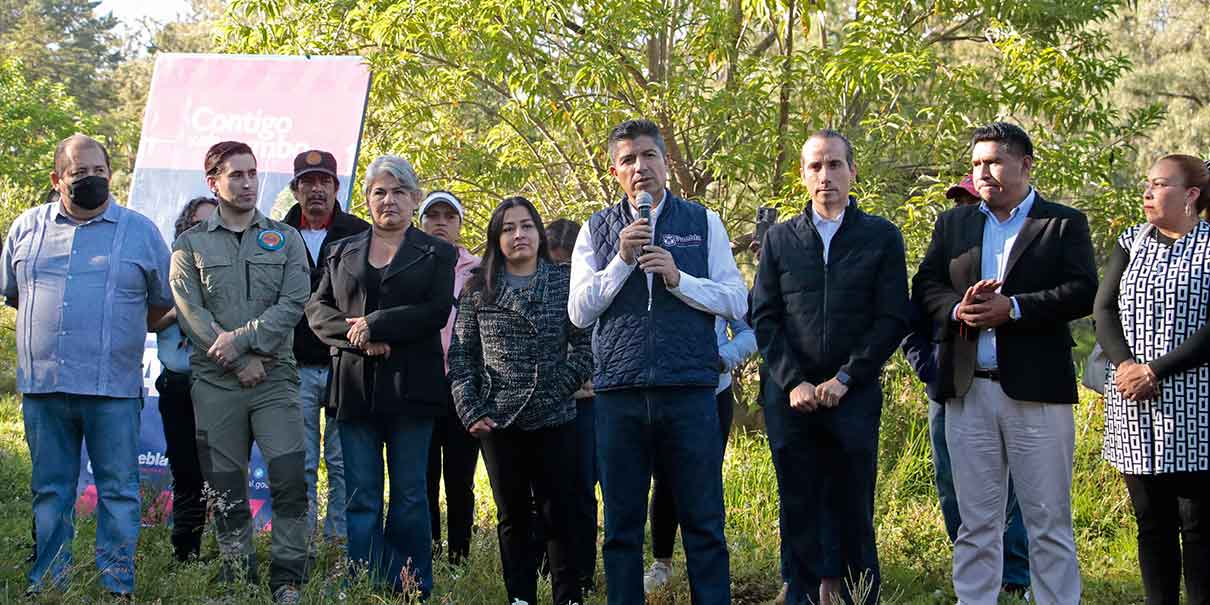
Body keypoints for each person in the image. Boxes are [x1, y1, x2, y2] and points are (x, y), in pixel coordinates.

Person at [913, 122, 1096, 605]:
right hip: (968, 389)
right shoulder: (955, 224)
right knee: (976, 523)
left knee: (1047, 519)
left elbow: (1083, 291)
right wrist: (959, 309)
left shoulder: (1061, 223)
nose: (982, 172)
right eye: (975, 163)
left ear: (1025, 164)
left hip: (1036, 393)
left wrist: (1012, 309)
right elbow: (926, 287)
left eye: (993, 161)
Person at [568, 118, 748, 605]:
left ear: (666, 163)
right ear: (614, 171)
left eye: (648, 156)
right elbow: (579, 310)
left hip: (688, 391)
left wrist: (679, 280)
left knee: (705, 523)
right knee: (622, 529)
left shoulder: (702, 221)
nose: (640, 167)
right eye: (628, 159)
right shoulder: (596, 229)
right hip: (618, 394)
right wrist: (622, 261)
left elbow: (736, 300)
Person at [1, 134, 173, 599]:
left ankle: (116, 585)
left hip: (113, 389)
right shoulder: (25, 228)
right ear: (58, 179)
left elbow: (162, 305)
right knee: (51, 491)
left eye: (100, 171)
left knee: (118, 491)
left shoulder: (141, 232)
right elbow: (17, 295)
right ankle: (49, 583)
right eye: (80, 173)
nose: (92, 179)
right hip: (45, 388)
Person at [752, 130, 910, 605]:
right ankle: (798, 590)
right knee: (797, 497)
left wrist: (847, 377)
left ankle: (856, 590)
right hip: (791, 397)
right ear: (803, 176)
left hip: (852, 394)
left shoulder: (880, 236)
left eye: (836, 165)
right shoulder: (780, 240)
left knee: (852, 497)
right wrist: (793, 380)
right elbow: (764, 316)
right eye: (816, 167)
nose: (826, 176)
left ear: (852, 172)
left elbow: (892, 318)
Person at [305, 155, 456, 597]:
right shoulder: (340, 250)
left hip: (412, 391)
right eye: (379, 192)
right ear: (368, 199)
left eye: (397, 192)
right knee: (361, 496)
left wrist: (378, 324)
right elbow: (317, 310)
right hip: (354, 390)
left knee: (410, 496)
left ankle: (412, 588)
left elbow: (434, 311)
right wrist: (359, 337)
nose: (388, 200)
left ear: (413, 198)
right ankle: (369, 584)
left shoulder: (438, 252)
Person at [170, 141, 312, 604]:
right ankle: (238, 580)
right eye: (236, 175)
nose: (248, 183)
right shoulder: (190, 245)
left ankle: (288, 578)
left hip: (274, 381)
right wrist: (235, 356)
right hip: (216, 384)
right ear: (213, 182)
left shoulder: (284, 238)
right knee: (226, 489)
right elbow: (191, 314)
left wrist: (248, 345)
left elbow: (292, 304)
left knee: (290, 478)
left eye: (253, 173)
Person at [450, 196, 593, 605]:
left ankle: (569, 596)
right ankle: (520, 597)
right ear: (497, 238)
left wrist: (555, 390)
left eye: (527, 226)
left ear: (539, 232)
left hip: (557, 415)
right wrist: (470, 408)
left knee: (558, 511)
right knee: (513, 516)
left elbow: (585, 348)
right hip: (500, 421)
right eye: (509, 228)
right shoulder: (479, 288)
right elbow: (461, 356)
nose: (519, 235)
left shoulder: (564, 281)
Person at [899, 175, 1031, 597]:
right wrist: (928, 368)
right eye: (957, 199)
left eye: (968, 199)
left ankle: (1013, 573)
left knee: (1012, 485)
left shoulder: (1008, 260)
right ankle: (971, 562)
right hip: (948, 386)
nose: (961, 206)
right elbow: (913, 316)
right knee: (952, 479)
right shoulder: (943, 256)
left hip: (1006, 382)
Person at [1094, 155, 1210, 605]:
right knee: (1151, 523)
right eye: (1147, 184)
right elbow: (1103, 309)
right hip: (1134, 404)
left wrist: (1155, 370)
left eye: (1160, 185)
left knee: (1199, 529)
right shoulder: (1131, 241)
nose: (1147, 193)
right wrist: (1126, 366)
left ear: (1191, 195)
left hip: (1196, 404)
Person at [282, 149, 368, 544]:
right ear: (295, 189)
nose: (316, 190)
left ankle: (338, 544)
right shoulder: (275, 233)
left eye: (325, 182)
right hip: (292, 366)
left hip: (344, 364)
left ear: (337, 187)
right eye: (307, 182)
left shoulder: (359, 233)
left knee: (342, 460)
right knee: (298, 461)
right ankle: (299, 543)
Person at [644, 313, 756, 593]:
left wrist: (720, 359)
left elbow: (747, 333)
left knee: (706, 482)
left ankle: (709, 570)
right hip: (663, 389)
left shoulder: (718, 270)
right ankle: (662, 563)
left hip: (712, 391)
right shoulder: (650, 269)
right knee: (665, 478)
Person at [151, 196, 219, 562]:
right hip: (178, 384)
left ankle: (231, 557)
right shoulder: (167, 268)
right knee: (187, 472)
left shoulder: (230, 269)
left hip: (222, 383)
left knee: (225, 471)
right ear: (184, 227)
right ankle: (185, 552)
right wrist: (184, 310)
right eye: (197, 223)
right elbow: (150, 320)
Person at [419, 190, 482, 565]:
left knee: (460, 479)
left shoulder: (478, 272)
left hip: (463, 387)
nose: (440, 222)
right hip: (420, 386)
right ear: (420, 220)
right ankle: (426, 551)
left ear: (459, 224)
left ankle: (459, 557)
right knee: (422, 478)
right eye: (432, 215)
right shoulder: (406, 262)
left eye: (449, 216)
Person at [547, 217, 599, 591]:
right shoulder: (533, 290)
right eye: (555, 263)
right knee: (542, 490)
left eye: (569, 264)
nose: (563, 271)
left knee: (582, 488)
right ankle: (542, 566)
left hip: (589, 405)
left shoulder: (591, 290)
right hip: (545, 403)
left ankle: (582, 572)